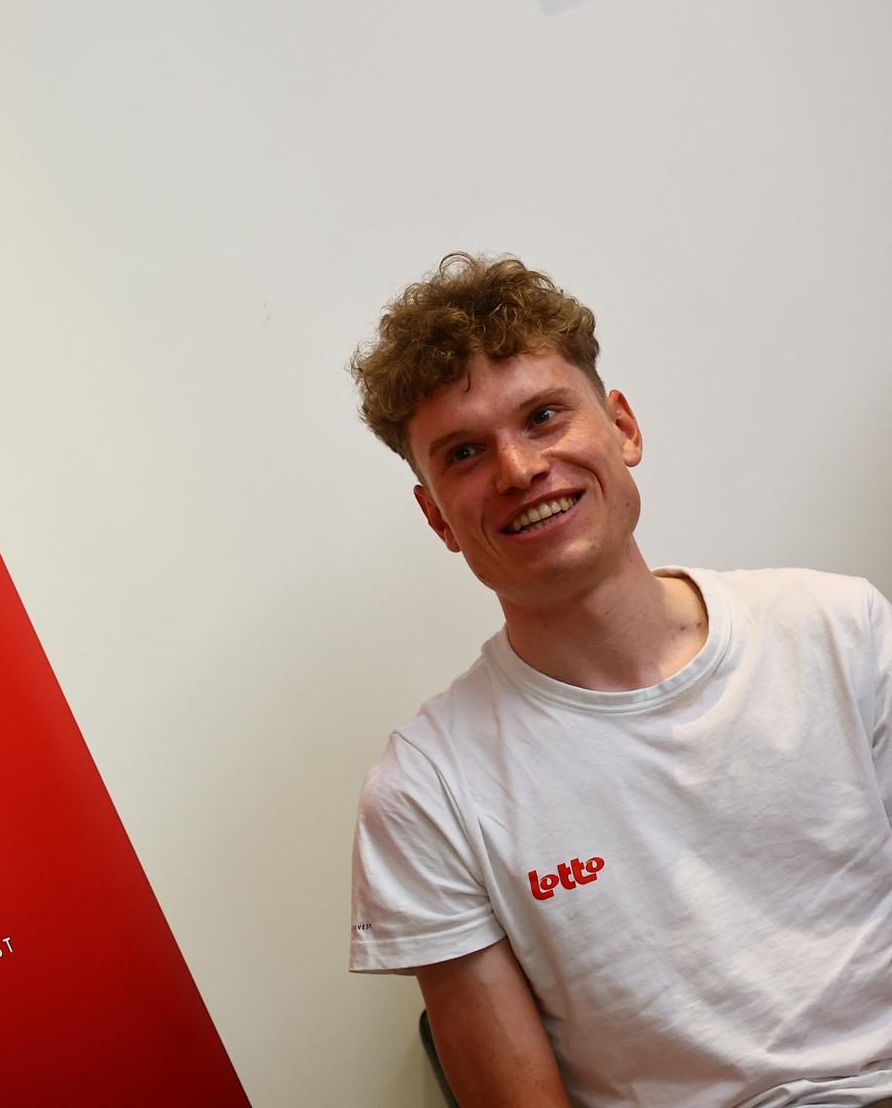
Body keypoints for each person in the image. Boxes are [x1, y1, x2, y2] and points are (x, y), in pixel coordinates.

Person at [345, 254, 892, 1107]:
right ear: (436, 517)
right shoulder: (427, 794)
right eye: (463, 453)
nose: (519, 470)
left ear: (624, 429)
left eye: (544, 415)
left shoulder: (838, 629)